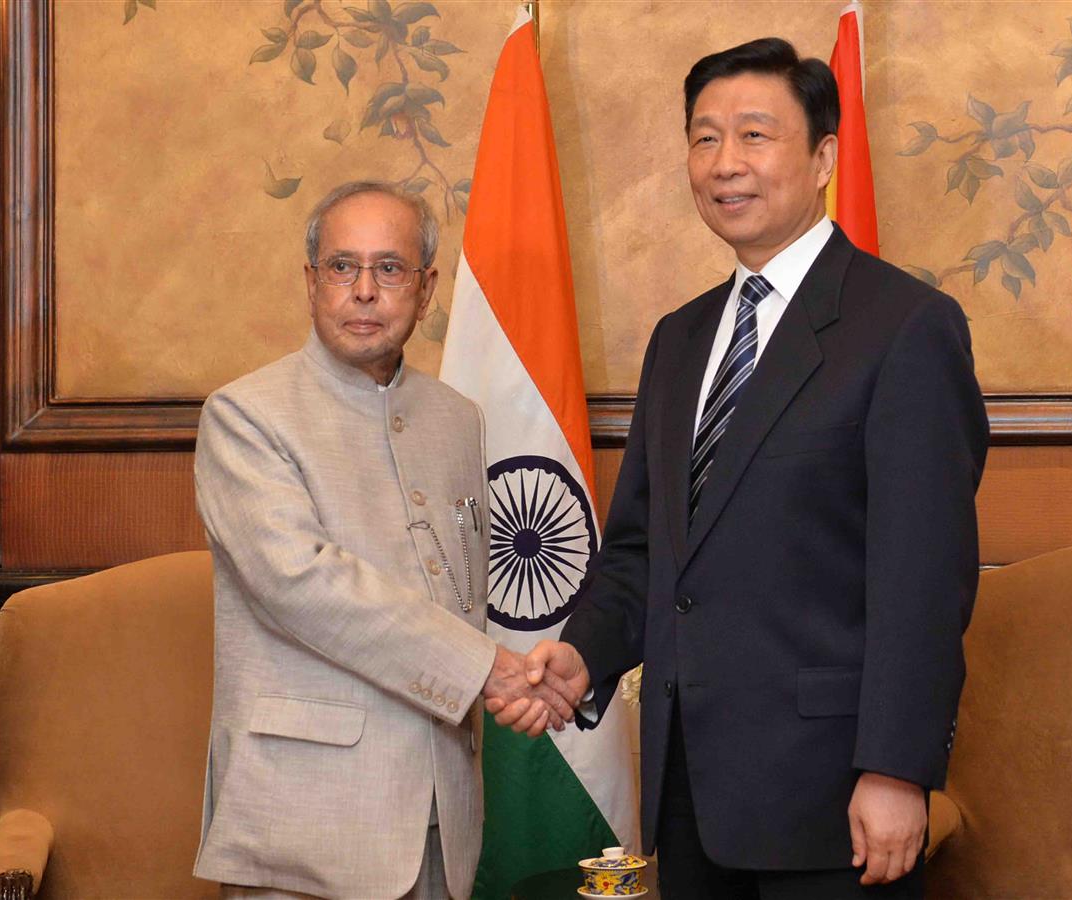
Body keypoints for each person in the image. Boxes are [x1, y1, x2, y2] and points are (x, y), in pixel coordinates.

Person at [502, 38, 989, 898]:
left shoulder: (905, 326)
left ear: (825, 156)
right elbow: (647, 552)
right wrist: (584, 653)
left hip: (834, 796)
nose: (725, 163)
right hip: (688, 792)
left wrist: (897, 769)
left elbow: (925, 577)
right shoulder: (679, 339)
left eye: (756, 135)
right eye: (704, 138)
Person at [192, 181, 573, 900]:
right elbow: (302, 585)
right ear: (311, 283)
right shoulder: (245, 416)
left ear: (425, 290)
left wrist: (513, 676)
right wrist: (490, 670)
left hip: (442, 814)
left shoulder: (457, 420)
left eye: (390, 269)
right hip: (308, 826)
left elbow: (463, 591)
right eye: (342, 267)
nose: (364, 291)